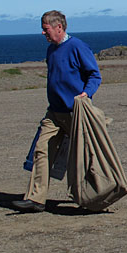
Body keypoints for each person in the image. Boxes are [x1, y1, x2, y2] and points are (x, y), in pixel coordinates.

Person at [12, 11, 102, 213]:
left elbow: (94, 75)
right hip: (54, 112)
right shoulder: (51, 50)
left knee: (85, 157)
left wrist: (86, 94)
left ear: (59, 27)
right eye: (43, 28)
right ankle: (36, 199)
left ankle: (98, 194)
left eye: (46, 28)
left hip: (76, 112)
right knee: (41, 150)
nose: (43, 32)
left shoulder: (77, 46)